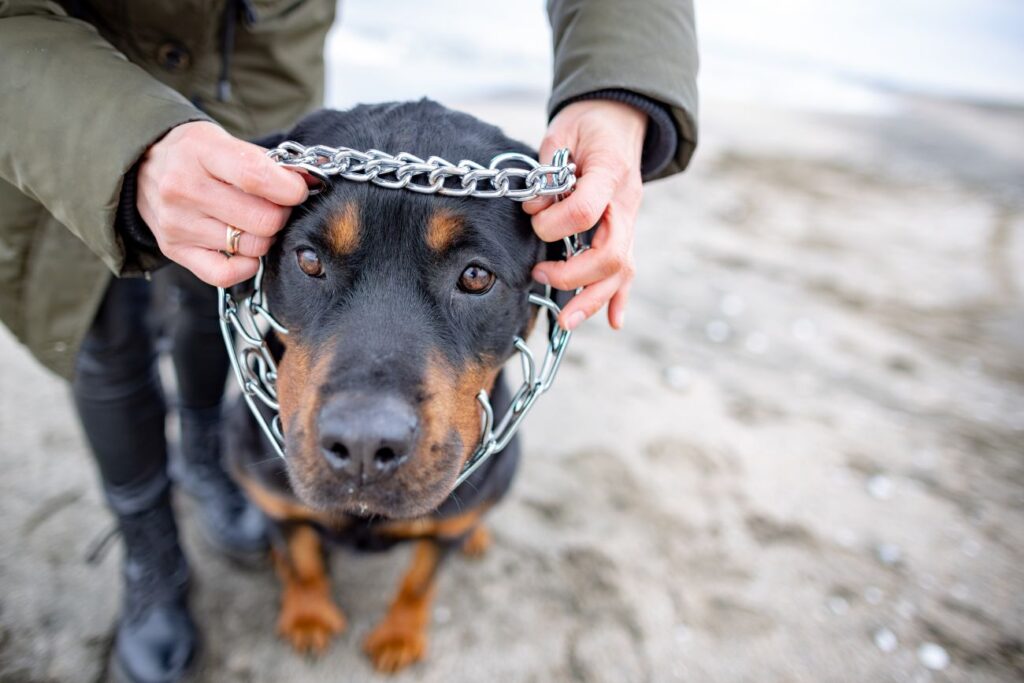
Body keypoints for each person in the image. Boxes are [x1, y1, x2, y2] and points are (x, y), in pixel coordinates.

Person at [0, 1, 698, 681]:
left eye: (476, 275)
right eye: (311, 263)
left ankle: (214, 460)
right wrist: (120, 146)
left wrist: (619, 93)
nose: (366, 427)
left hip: (252, 75)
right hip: (64, 94)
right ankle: (157, 549)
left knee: (197, 307)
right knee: (106, 330)